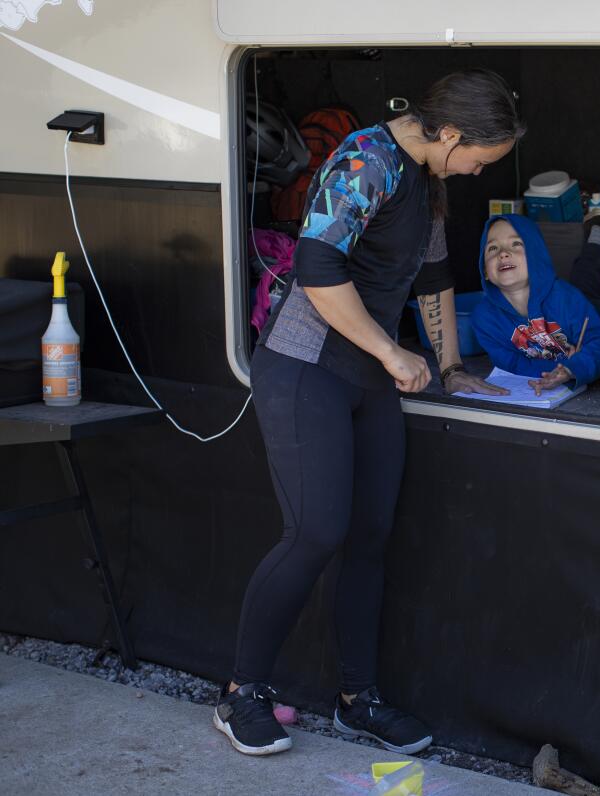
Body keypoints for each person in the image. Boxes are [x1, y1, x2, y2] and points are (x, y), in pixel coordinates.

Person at [213, 69, 524, 757]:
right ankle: (241, 694)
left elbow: (435, 276)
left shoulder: (428, 179)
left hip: (368, 375)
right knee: (314, 532)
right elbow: (319, 271)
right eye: (479, 156)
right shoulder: (366, 158)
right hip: (304, 368)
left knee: (370, 536)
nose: (477, 170)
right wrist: (392, 352)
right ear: (449, 134)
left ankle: (358, 699)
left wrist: (447, 366)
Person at [470, 202, 600, 394]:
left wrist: (574, 368)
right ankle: (599, 233)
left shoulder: (563, 296)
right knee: (584, 278)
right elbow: (511, 364)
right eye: (493, 248)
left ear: (537, 258)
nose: (504, 253)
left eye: (516, 244)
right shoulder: (484, 318)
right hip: (577, 310)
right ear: (484, 269)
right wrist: (562, 367)